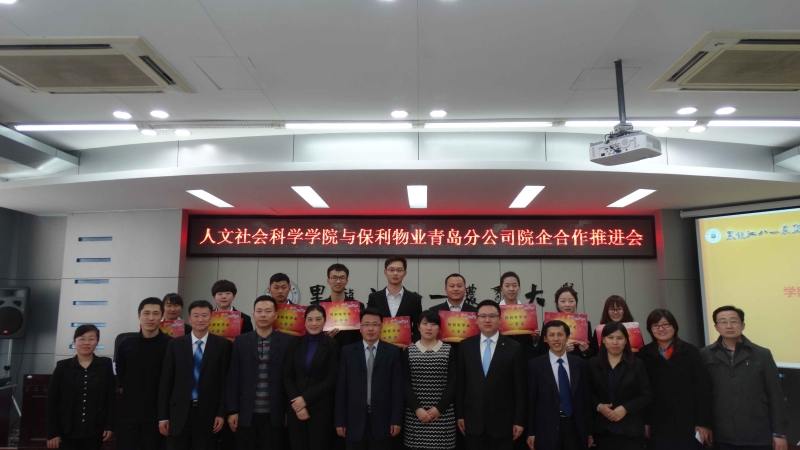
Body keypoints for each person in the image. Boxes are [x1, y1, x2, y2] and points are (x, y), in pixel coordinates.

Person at [700, 306, 788, 450]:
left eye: (734, 321)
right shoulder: (705, 354)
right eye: (723, 321)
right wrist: (706, 425)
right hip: (721, 435)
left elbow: (775, 395)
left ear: (742, 325)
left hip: (757, 435)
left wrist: (779, 433)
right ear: (716, 327)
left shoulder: (762, 354)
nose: (729, 326)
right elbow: (703, 394)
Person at [158, 300, 232, 450]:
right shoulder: (175, 344)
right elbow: (166, 381)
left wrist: (221, 413)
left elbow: (225, 382)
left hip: (209, 413)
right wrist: (163, 416)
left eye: (204, 315)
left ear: (211, 318)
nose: (200, 319)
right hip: (178, 413)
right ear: (190, 318)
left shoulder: (223, 345)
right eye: (196, 316)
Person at [227, 295, 295, 449]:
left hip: (275, 412)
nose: (263, 315)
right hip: (246, 412)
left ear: (276, 315)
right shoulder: (241, 341)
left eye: (268, 311)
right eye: (259, 311)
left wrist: (288, 411)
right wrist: (232, 411)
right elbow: (233, 377)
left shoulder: (287, 342)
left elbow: (290, 378)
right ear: (253, 314)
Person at [456, 300, 526, 450]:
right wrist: (460, 415)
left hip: (503, 423)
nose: (487, 320)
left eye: (492, 316)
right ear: (476, 319)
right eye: (483, 316)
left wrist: (519, 420)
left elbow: (520, 388)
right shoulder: (465, 346)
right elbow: (461, 384)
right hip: (473, 421)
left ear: (500, 319)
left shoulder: (514, 348)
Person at [637, 309, 710, 450]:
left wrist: (702, 423)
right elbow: (642, 390)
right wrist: (645, 421)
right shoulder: (644, 354)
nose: (661, 329)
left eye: (666, 324)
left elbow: (702, 389)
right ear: (650, 329)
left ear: (674, 326)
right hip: (657, 421)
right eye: (655, 326)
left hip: (688, 419)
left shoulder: (691, 352)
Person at [335, 307, 404, 450]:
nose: (370, 328)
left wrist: (396, 419)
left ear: (381, 327)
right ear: (360, 327)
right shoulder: (348, 352)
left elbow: (397, 389)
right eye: (366, 324)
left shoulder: (393, 352)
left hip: (383, 420)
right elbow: (341, 388)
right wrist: (340, 421)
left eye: (375, 324)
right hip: (353, 421)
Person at [46, 325, 115, 450]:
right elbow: (51, 401)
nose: (86, 343)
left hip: (95, 428)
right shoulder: (62, 366)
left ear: (97, 342)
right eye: (82, 339)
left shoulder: (105, 364)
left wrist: (109, 425)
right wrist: (52, 432)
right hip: (66, 429)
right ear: (74, 342)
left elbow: (110, 397)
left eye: (91, 339)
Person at [527, 320, 593, 450]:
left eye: (560, 334)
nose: (556, 339)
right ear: (545, 339)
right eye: (551, 335)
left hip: (575, 426)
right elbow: (531, 401)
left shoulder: (580, 364)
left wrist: (589, 431)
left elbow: (586, 399)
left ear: (567, 337)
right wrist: (531, 432)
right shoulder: (534, 365)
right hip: (546, 428)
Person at [116, 297, 173, 450]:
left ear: (161, 317)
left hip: (158, 414)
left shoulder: (171, 345)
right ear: (139, 316)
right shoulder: (125, 343)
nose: (150, 318)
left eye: (155, 313)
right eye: (146, 313)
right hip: (129, 413)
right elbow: (121, 375)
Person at [283, 304, 341, 450]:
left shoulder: (332, 345)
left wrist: (305, 399)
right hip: (296, 408)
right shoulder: (294, 343)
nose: (314, 323)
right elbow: (287, 376)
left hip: (321, 408)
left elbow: (331, 378)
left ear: (325, 321)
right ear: (304, 322)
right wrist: (298, 404)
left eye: (318, 319)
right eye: (310, 319)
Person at [588, 322, 652, 450]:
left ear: (626, 341)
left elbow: (647, 395)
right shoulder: (592, 364)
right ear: (603, 340)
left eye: (619, 338)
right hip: (603, 430)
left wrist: (625, 408)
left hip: (631, 429)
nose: (615, 342)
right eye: (610, 338)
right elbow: (587, 393)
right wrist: (599, 407)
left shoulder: (637, 364)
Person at [402, 310, 457, 450]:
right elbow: (405, 383)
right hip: (415, 416)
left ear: (439, 328)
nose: (429, 328)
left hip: (443, 415)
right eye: (425, 323)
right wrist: (417, 409)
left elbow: (453, 382)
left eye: (433, 324)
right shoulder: (409, 351)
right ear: (418, 327)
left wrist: (439, 409)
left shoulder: (448, 350)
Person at [368, 256, 423, 341]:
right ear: (385, 272)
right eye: (391, 270)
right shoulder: (374, 298)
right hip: (380, 345)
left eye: (399, 270)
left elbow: (417, 327)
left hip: (405, 346)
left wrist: (412, 345)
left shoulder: (414, 299)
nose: (395, 273)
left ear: (405, 273)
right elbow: (369, 323)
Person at [311, 263, 366, 349]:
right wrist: (323, 337)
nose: (338, 281)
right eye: (334, 277)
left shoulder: (357, 306)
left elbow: (362, 332)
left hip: (351, 351)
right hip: (326, 351)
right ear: (328, 281)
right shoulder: (319, 307)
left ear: (347, 281)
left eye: (342, 278)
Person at [537, 285, 593, 359]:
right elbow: (542, 349)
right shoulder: (548, 323)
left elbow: (593, 352)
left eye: (571, 301)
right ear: (557, 304)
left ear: (576, 303)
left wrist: (585, 351)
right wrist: (561, 350)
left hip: (578, 363)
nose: (567, 305)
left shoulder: (585, 323)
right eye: (563, 301)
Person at [498, 271, 540, 359]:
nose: (511, 289)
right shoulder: (495, 311)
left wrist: (534, 338)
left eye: (514, 285)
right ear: (501, 288)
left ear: (519, 287)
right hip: (501, 355)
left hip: (523, 355)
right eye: (507, 286)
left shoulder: (527, 311)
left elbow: (531, 343)